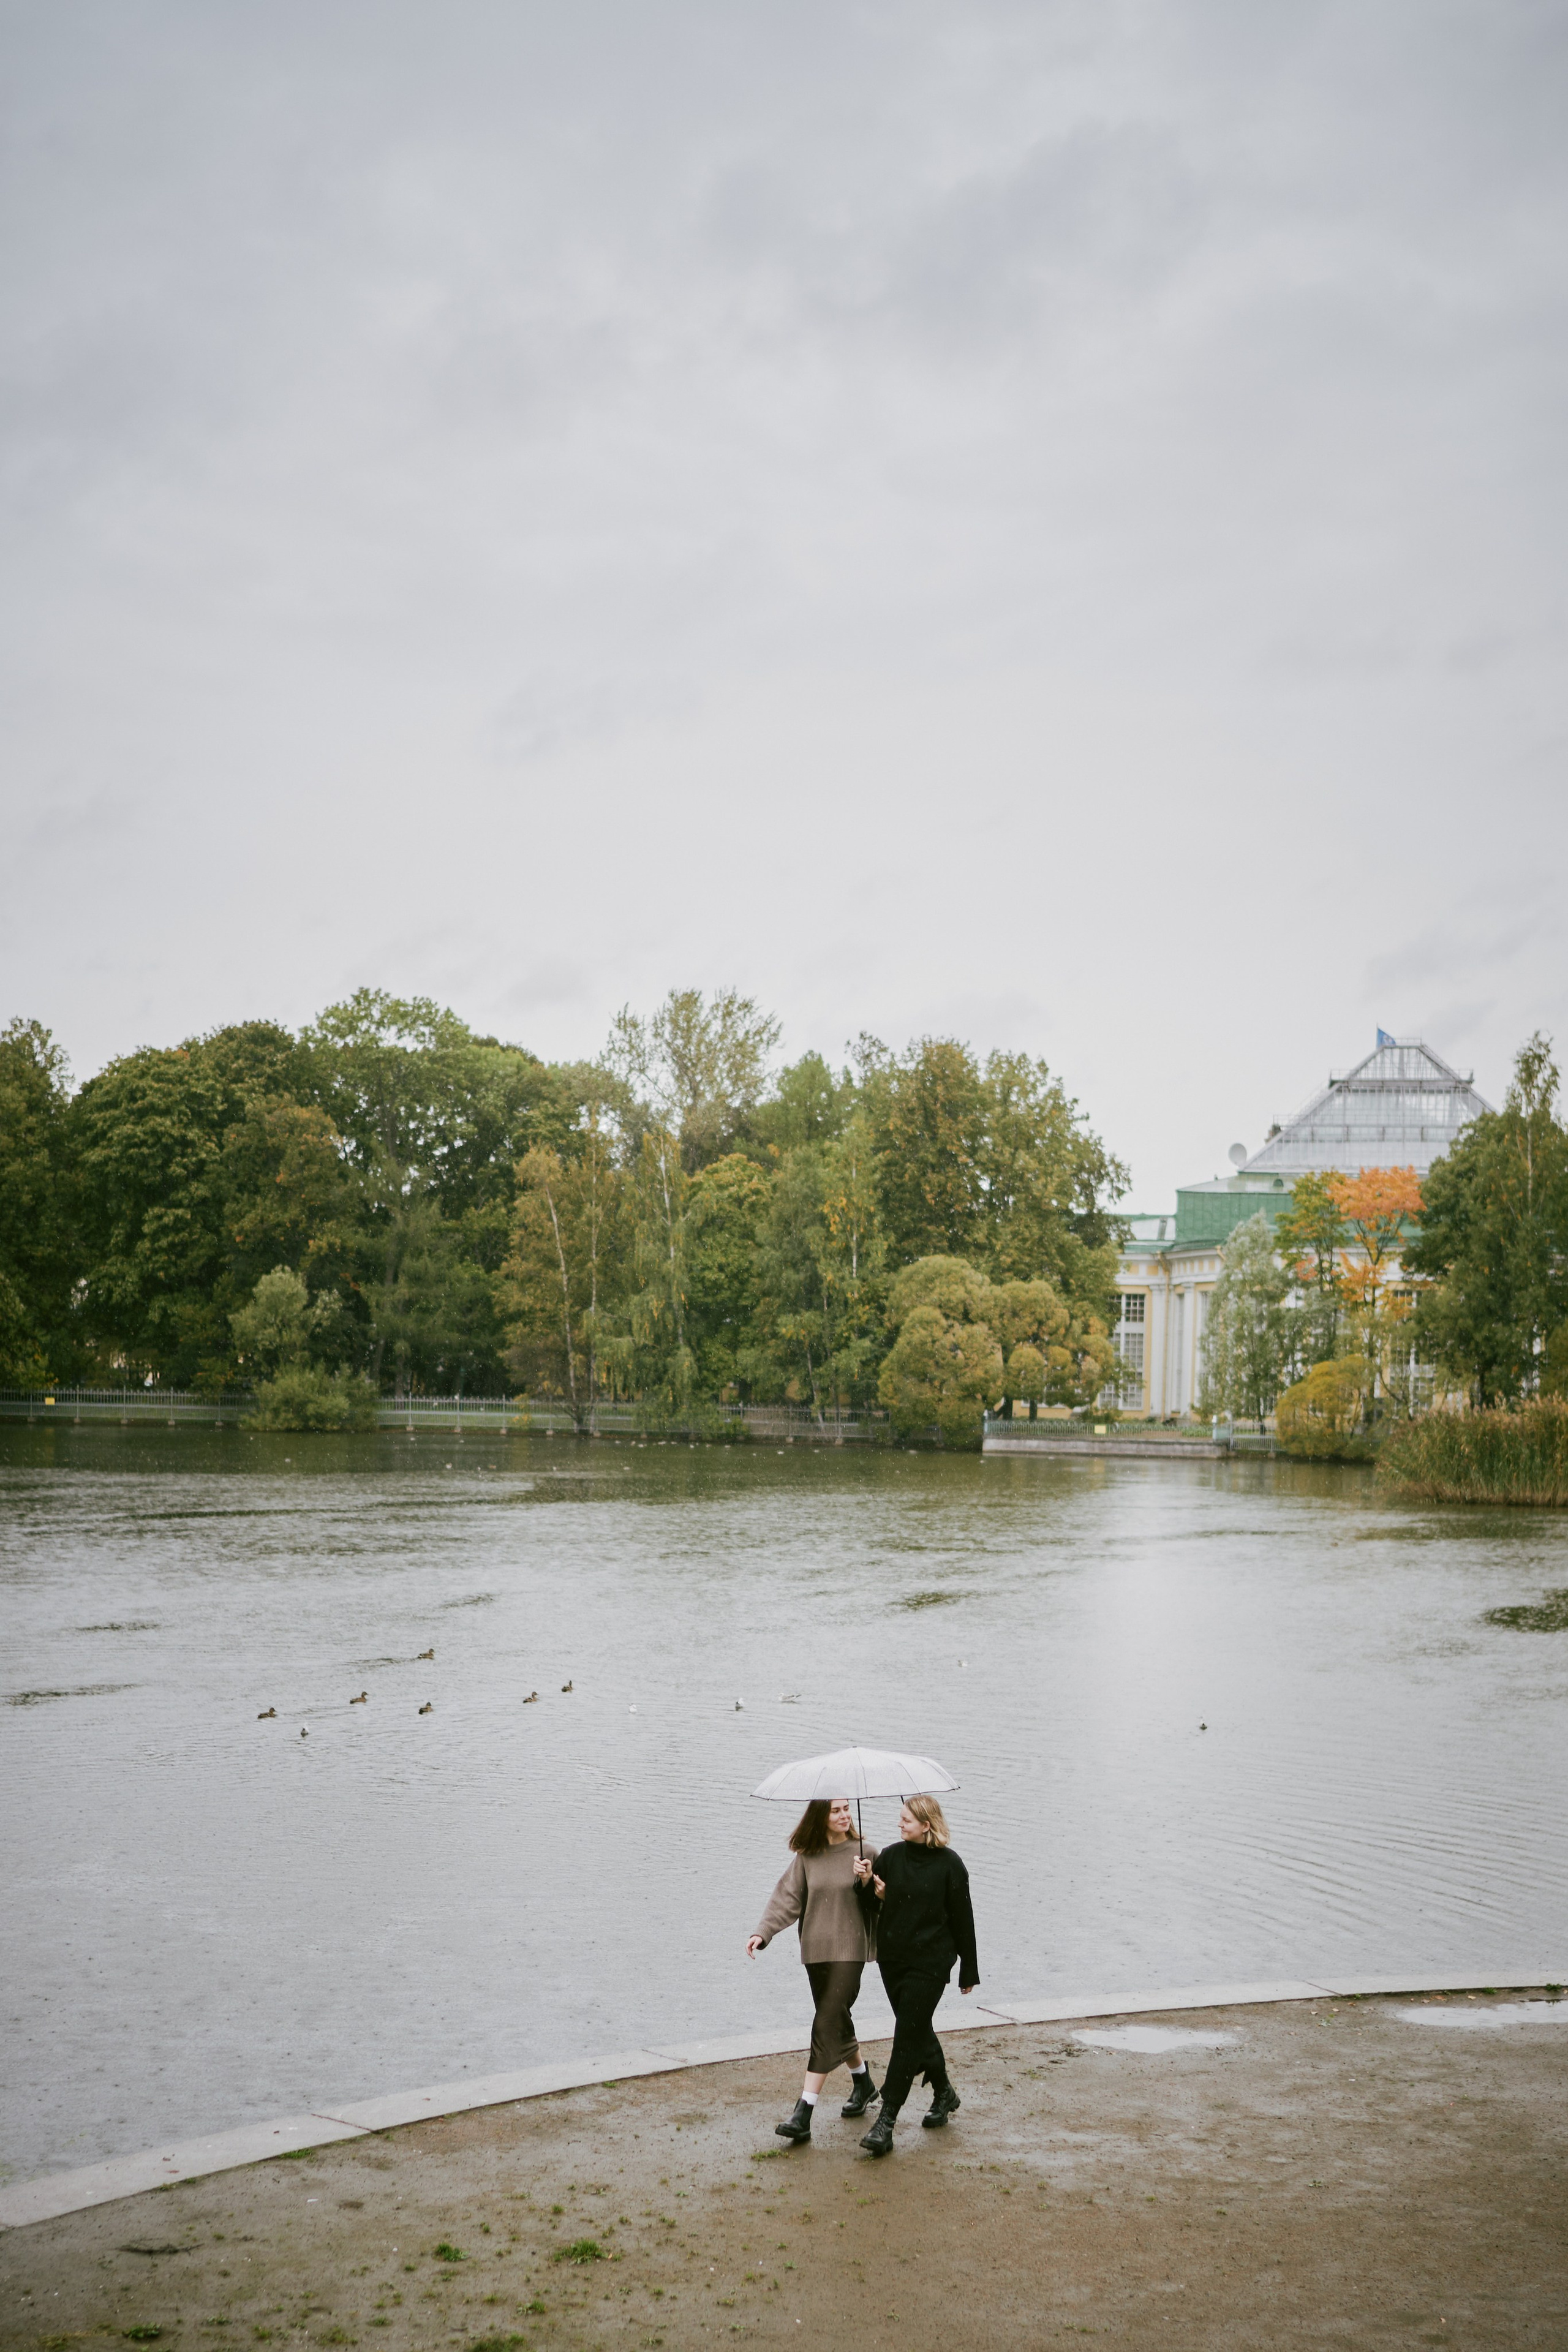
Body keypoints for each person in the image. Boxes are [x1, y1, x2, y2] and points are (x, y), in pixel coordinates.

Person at [747, 1795, 881, 2143]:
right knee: (835, 2019)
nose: (843, 1815)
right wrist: (763, 1933)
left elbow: (884, 1901)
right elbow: (787, 1898)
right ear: (821, 1816)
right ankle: (864, 2083)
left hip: (851, 1951)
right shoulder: (807, 1856)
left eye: (847, 1809)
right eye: (836, 1810)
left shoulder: (867, 1851)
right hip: (816, 1952)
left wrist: (867, 1881)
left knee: (825, 2023)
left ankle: (804, 2112)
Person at [858, 1793, 978, 2157]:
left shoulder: (951, 1865)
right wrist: (867, 1886)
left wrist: (968, 1971)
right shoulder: (891, 1856)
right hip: (894, 1958)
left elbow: (963, 1920)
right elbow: (867, 1908)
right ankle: (944, 2093)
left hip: (932, 1962)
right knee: (916, 2027)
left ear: (927, 1825)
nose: (899, 1824)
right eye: (900, 1819)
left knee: (906, 2033)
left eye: (906, 1820)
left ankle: (886, 2122)